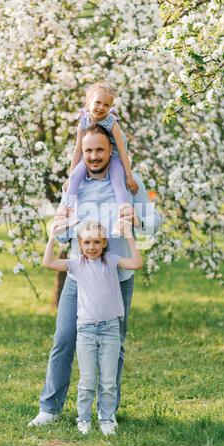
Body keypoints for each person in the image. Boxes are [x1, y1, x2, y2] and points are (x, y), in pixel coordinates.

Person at [28, 124, 162, 428]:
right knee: (63, 339)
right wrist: (61, 230)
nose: (93, 156)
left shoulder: (130, 183)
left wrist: (138, 219)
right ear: (82, 152)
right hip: (79, 279)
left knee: (115, 344)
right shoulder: (73, 186)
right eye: (88, 150)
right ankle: (49, 409)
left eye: (100, 149)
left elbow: (156, 221)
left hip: (118, 279)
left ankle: (107, 413)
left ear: (110, 150)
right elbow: (64, 238)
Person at [42, 219, 143, 435]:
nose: (92, 247)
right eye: (86, 242)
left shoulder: (112, 261)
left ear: (105, 243)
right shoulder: (77, 264)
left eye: (97, 242)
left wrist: (128, 235)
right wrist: (52, 236)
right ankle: (84, 419)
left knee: (108, 381)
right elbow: (48, 263)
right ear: (79, 244)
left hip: (110, 331)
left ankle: (106, 419)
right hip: (86, 331)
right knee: (87, 380)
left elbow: (136, 264)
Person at [64, 82, 138, 233]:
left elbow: (123, 151)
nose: (101, 107)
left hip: (114, 156)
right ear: (89, 101)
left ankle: (123, 219)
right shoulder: (83, 122)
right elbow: (78, 150)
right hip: (91, 156)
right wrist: (71, 175)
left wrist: (129, 176)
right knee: (75, 178)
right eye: (97, 102)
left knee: (117, 181)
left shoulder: (111, 123)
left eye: (106, 105)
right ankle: (68, 212)